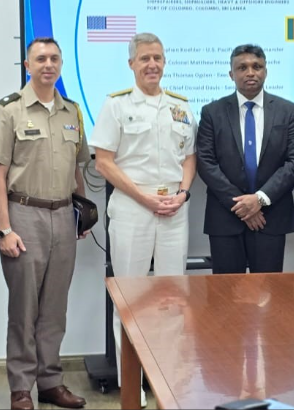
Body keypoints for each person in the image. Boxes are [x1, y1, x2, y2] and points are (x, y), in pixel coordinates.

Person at [91, 32, 196, 406]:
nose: (153, 64)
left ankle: (166, 377)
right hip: (133, 207)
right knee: (131, 296)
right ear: (132, 64)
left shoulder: (181, 105)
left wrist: (182, 194)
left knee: (173, 296)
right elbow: (103, 161)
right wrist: (143, 196)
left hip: (172, 208)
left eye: (158, 58)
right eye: (145, 58)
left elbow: (189, 158)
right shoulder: (116, 105)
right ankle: (132, 387)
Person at [0, 38, 89, 410]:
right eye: (40, 59)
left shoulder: (72, 112)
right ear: (27, 65)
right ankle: (20, 387)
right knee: (24, 309)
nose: (48, 64)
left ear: (61, 64)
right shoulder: (10, 110)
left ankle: (50, 382)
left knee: (54, 309)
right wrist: (3, 228)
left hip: (63, 216)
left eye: (54, 58)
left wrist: (82, 212)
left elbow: (77, 168)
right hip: (23, 215)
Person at [196, 44, 294, 274]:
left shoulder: (288, 111)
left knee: (269, 296)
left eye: (257, 66)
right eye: (242, 67)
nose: (250, 72)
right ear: (231, 74)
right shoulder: (211, 112)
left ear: (266, 71)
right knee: (226, 296)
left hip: (270, 217)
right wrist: (243, 206)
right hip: (225, 218)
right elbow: (206, 162)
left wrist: (260, 200)